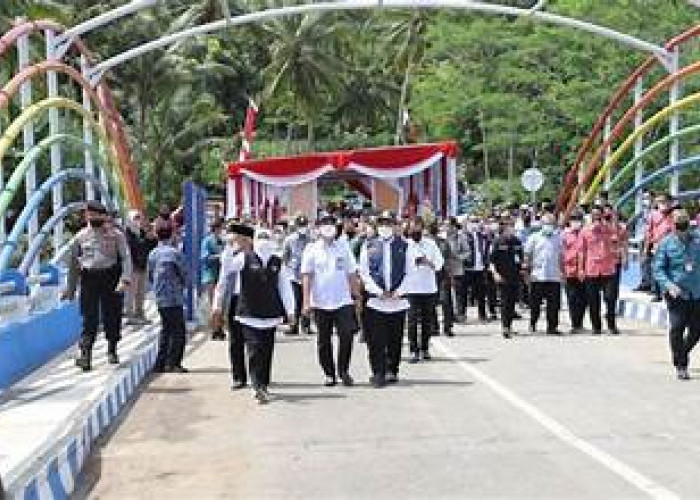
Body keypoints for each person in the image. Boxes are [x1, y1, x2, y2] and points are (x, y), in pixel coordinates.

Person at [224, 225, 295, 404]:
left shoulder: (277, 263)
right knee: (254, 349)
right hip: (248, 313)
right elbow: (228, 268)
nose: (263, 243)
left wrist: (291, 311)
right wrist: (230, 247)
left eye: (266, 239)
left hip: (270, 314)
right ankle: (257, 385)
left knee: (266, 350)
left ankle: (263, 383)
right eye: (260, 239)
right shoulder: (244, 258)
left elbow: (285, 288)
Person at [63, 201, 132, 371]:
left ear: (104, 216)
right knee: (89, 317)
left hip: (111, 278)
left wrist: (125, 279)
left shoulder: (116, 235)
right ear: (87, 216)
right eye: (90, 215)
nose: (93, 218)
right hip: (89, 279)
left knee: (112, 314)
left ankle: (112, 348)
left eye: (97, 215)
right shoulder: (80, 237)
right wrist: (70, 289)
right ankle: (86, 355)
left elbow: (125, 257)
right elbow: (73, 265)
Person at [301, 213, 361, 387]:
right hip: (320, 302)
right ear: (318, 228)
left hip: (343, 300)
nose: (328, 227)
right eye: (324, 224)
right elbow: (307, 276)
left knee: (346, 336)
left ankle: (343, 370)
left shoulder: (343, 247)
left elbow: (351, 274)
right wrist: (306, 301)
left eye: (331, 224)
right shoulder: (311, 249)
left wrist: (356, 296)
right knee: (323, 340)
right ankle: (329, 373)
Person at [359, 211, 410, 387]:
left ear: (395, 225)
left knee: (395, 339)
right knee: (376, 340)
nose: (385, 227)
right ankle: (378, 372)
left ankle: (392, 370)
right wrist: (377, 291)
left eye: (389, 223)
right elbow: (364, 273)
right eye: (382, 223)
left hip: (398, 300)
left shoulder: (404, 245)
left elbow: (410, 272)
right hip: (376, 301)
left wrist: (400, 290)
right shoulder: (368, 245)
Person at [653, 208, 700, 380]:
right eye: (679, 226)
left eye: (685, 225)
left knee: (696, 330)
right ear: (673, 226)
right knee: (677, 327)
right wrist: (668, 285)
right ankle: (681, 364)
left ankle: (682, 352)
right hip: (676, 293)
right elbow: (658, 269)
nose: (682, 230)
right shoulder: (665, 244)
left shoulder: (697, 241)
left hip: (697, 292)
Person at [148, 224, 189, 373]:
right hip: (174, 298)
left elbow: (150, 276)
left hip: (160, 297)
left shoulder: (153, 254)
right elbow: (184, 274)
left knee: (165, 330)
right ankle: (174, 363)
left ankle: (160, 363)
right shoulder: (175, 253)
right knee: (178, 331)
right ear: (171, 235)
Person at [212, 222, 248, 390]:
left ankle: (257, 374)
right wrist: (217, 305)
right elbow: (223, 280)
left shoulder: (254, 255)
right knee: (235, 341)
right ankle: (239, 376)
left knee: (254, 341)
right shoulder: (228, 255)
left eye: (236, 238)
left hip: (251, 300)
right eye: (232, 239)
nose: (234, 241)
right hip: (234, 300)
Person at [403, 217, 444, 362]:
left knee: (427, 320)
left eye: (418, 228)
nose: (415, 231)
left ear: (422, 228)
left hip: (428, 288)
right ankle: (413, 350)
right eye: (412, 228)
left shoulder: (431, 244)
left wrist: (428, 262)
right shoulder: (405, 245)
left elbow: (439, 264)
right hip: (411, 288)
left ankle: (425, 348)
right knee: (412, 320)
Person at [579, 206, 618, 335]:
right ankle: (596, 327)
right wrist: (580, 268)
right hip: (591, 269)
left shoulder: (608, 229)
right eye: (594, 215)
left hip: (608, 268)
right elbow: (581, 251)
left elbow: (616, 242)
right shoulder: (585, 231)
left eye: (598, 215)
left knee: (610, 297)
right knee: (593, 300)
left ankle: (611, 325)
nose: (596, 217)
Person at [524, 212, 564, 335]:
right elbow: (527, 255)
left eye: (551, 224)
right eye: (547, 223)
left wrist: (562, 272)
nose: (549, 226)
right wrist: (526, 272)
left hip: (554, 276)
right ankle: (533, 323)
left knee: (554, 305)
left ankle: (552, 327)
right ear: (542, 224)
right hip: (537, 276)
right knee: (535, 303)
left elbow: (561, 256)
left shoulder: (558, 238)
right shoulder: (534, 238)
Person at [489, 216, 523, 338]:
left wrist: (523, 271)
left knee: (512, 302)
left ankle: (509, 325)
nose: (512, 228)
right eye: (509, 226)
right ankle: (505, 327)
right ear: (504, 228)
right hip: (502, 277)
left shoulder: (517, 242)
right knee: (505, 302)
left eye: (512, 226)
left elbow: (520, 259)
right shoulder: (497, 242)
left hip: (515, 276)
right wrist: (495, 274)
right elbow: (491, 261)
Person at [124, 209, 156, 325]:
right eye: (135, 218)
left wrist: (152, 239)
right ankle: (130, 315)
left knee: (141, 292)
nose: (138, 220)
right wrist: (146, 240)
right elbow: (134, 246)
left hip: (142, 265)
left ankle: (140, 313)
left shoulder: (141, 231)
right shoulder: (127, 233)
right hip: (132, 266)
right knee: (131, 292)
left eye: (139, 217)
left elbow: (150, 246)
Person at [282, 214, 313, 335]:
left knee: (307, 300)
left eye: (304, 225)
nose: (302, 228)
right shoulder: (289, 239)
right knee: (295, 301)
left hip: (307, 275)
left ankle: (306, 325)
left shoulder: (311, 239)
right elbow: (285, 256)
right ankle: (293, 326)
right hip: (293, 275)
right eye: (300, 225)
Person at [646, 193, 675, 302]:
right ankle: (657, 293)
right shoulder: (653, 215)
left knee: (670, 270)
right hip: (657, 246)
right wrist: (647, 247)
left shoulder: (675, 214)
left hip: (672, 247)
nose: (661, 204)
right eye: (658, 202)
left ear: (670, 202)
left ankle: (669, 292)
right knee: (657, 269)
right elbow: (649, 231)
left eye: (663, 201)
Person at [562, 212, 587, 334]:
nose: (576, 222)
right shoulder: (564, 235)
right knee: (572, 298)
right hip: (569, 270)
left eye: (578, 219)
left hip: (584, 270)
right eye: (573, 219)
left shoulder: (586, 234)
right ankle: (574, 324)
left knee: (583, 298)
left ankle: (580, 323)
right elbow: (561, 252)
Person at [201, 219, 225, 340]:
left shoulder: (223, 241)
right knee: (213, 303)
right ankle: (214, 330)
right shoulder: (207, 241)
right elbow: (204, 257)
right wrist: (218, 256)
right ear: (216, 228)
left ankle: (219, 328)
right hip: (210, 275)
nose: (222, 230)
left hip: (220, 275)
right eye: (221, 228)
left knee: (220, 303)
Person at [431, 222, 455, 336]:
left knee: (446, 301)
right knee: (431, 302)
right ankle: (433, 327)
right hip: (430, 275)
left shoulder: (444, 243)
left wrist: (450, 273)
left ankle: (448, 327)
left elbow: (449, 259)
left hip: (444, 274)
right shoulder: (427, 243)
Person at [462, 215, 488, 323]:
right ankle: (462, 314)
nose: (474, 224)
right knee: (464, 293)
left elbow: (485, 250)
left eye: (476, 221)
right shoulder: (464, 236)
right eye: (472, 221)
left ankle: (482, 315)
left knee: (481, 293)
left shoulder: (482, 236)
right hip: (468, 268)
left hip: (480, 268)